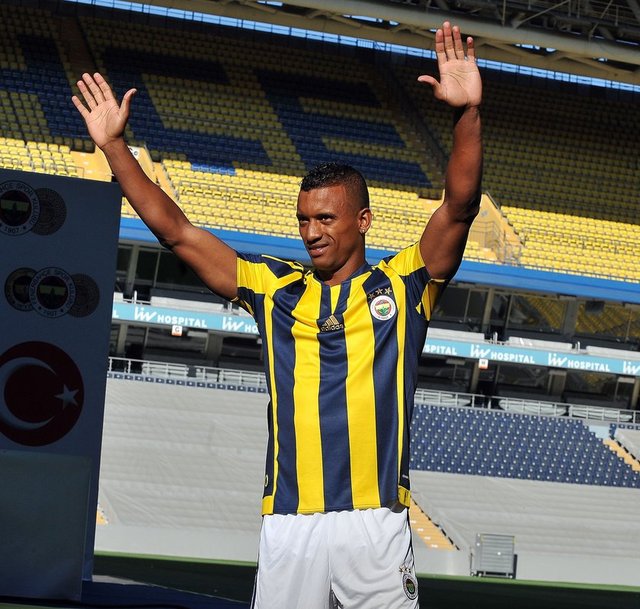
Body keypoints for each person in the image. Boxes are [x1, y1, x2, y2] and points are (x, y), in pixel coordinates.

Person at [73, 21, 482, 609]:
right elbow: (178, 233)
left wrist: (466, 114)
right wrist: (115, 148)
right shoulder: (274, 288)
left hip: (376, 521)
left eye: (326, 219)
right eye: (304, 220)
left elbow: (459, 206)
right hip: (290, 523)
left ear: (363, 221)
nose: (311, 232)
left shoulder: (405, 283)